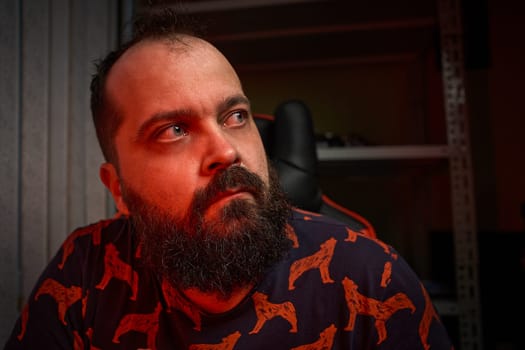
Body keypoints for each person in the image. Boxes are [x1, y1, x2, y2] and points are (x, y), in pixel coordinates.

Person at [4, 9, 454, 350]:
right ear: (118, 189)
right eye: (174, 130)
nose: (226, 150)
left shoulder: (371, 279)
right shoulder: (85, 273)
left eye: (235, 116)